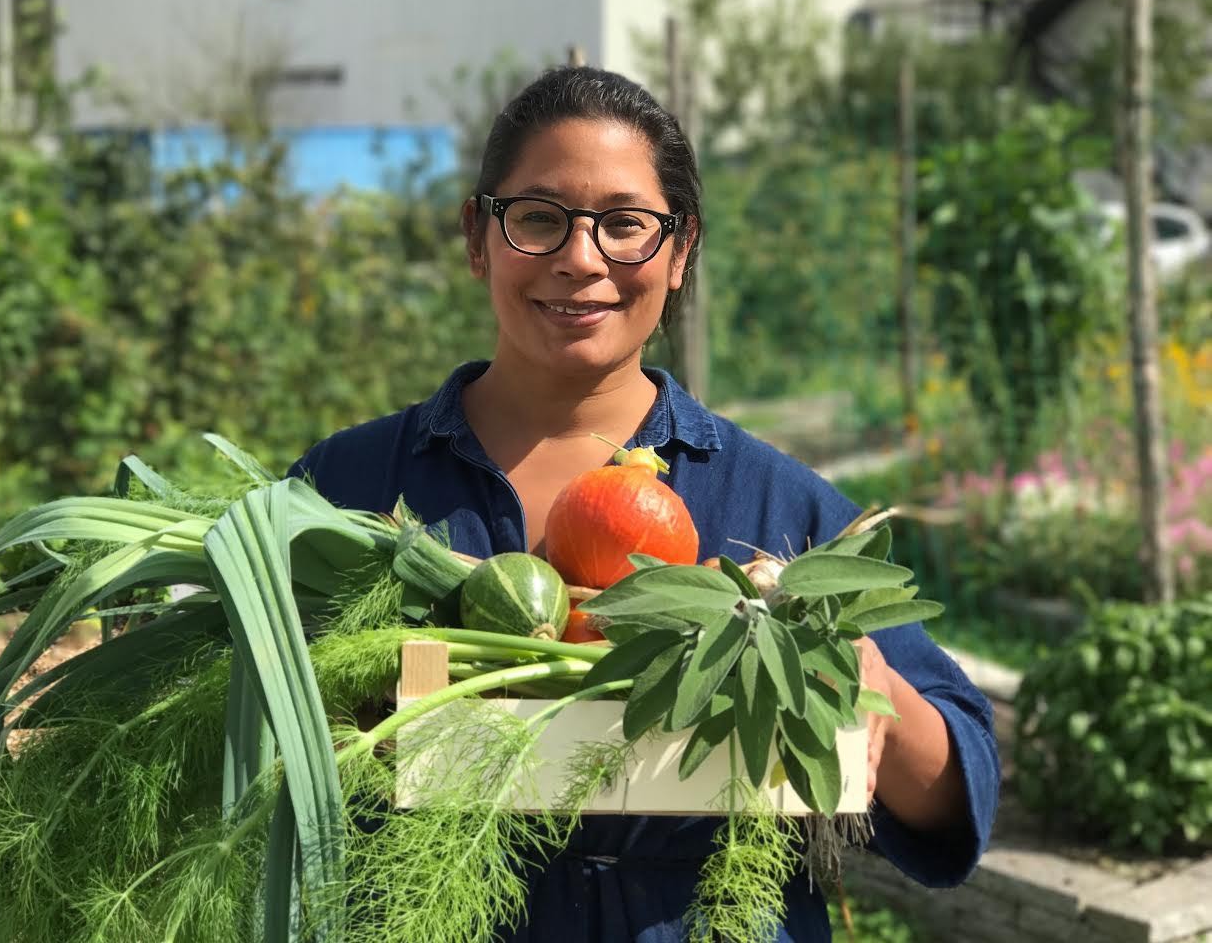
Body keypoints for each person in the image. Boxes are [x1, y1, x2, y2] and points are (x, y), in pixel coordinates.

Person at [289, 65, 999, 943]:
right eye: (538, 218)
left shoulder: (778, 506)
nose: (581, 258)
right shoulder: (345, 491)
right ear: (478, 237)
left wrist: (876, 687)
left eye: (625, 224)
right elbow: (229, 741)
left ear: (680, 250)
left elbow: (958, 797)